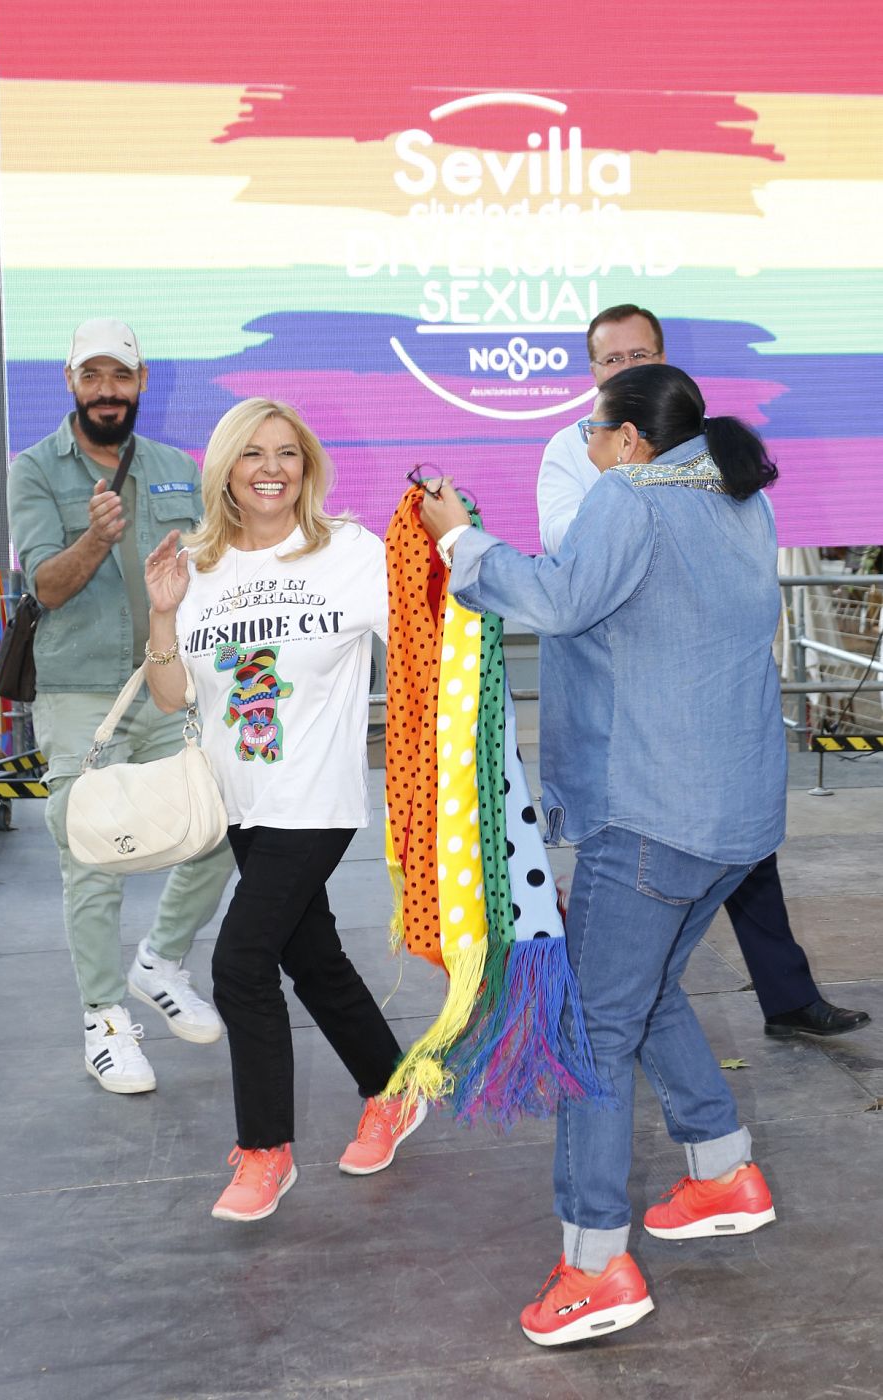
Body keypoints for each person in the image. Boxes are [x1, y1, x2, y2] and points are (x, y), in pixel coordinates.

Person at [418, 364, 785, 1343]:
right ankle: (721, 1166)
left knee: (588, 1026)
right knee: (646, 986)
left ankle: (594, 1262)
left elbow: (561, 597)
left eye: (591, 429)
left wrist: (458, 536)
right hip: (731, 816)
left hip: (651, 811)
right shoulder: (736, 501)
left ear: (628, 441)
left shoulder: (628, 495)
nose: (582, 444)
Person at [537, 303, 869, 1040]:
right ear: (591, 371)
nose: (626, 368)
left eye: (639, 355)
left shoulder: (708, 458)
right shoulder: (576, 449)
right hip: (635, 731)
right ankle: (710, 1118)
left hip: (703, 714)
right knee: (637, 953)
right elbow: (562, 545)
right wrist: (629, 494)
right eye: (612, 360)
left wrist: (641, 498)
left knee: (740, 862)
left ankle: (784, 999)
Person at [142, 397, 426, 1223]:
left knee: (238, 963)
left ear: (306, 467)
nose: (271, 468)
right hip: (241, 803)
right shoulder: (197, 565)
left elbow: (422, 637)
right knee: (315, 961)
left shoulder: (347, 553)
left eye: (287, 453)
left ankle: (266, 1151)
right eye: (253, 453)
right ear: (225, 469)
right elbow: (170, 698)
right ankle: (394, 1091)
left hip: (316, 800)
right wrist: (162, 610)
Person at [7, 319, 234, 1095]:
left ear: (140, 383)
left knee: (222, 821)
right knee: (92, 858)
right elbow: (45, 587)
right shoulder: (34, 469)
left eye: (121, 377)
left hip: (170, 681)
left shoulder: (177, 467)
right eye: (93, 376)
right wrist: (96, 540)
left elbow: (217, 570)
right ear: (71, 382)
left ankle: (161, 959)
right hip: (79, 689)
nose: (108, 391)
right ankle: (104, 1021)